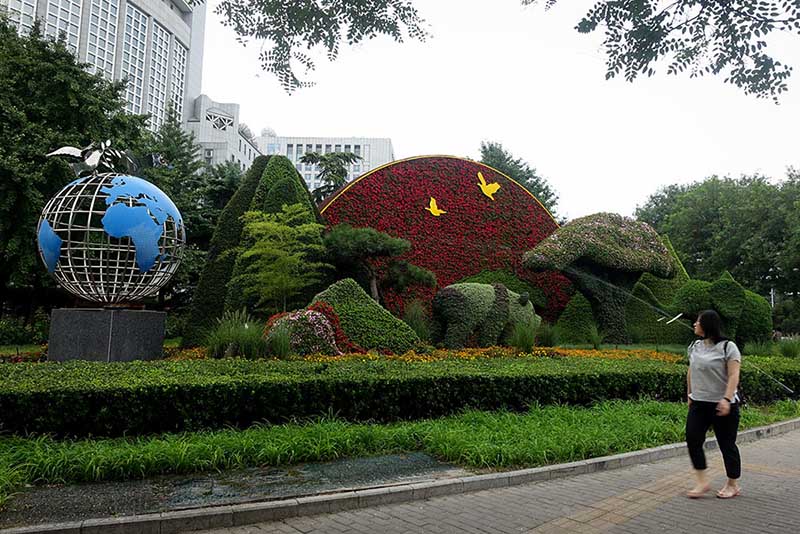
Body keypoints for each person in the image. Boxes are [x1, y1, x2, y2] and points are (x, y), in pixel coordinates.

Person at [685, 309, 742, 499]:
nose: (694, 324)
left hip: (723, 405)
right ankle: (702, 482)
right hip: (699, 403)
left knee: (727, 445)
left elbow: (734, 375)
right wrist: (689, 394)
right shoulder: (695, 346)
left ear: (707, 324)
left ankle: (732, 484)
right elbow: (691, 371)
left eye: (698, 321)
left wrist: (726, 399)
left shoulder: (728, 347)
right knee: (693, 439)